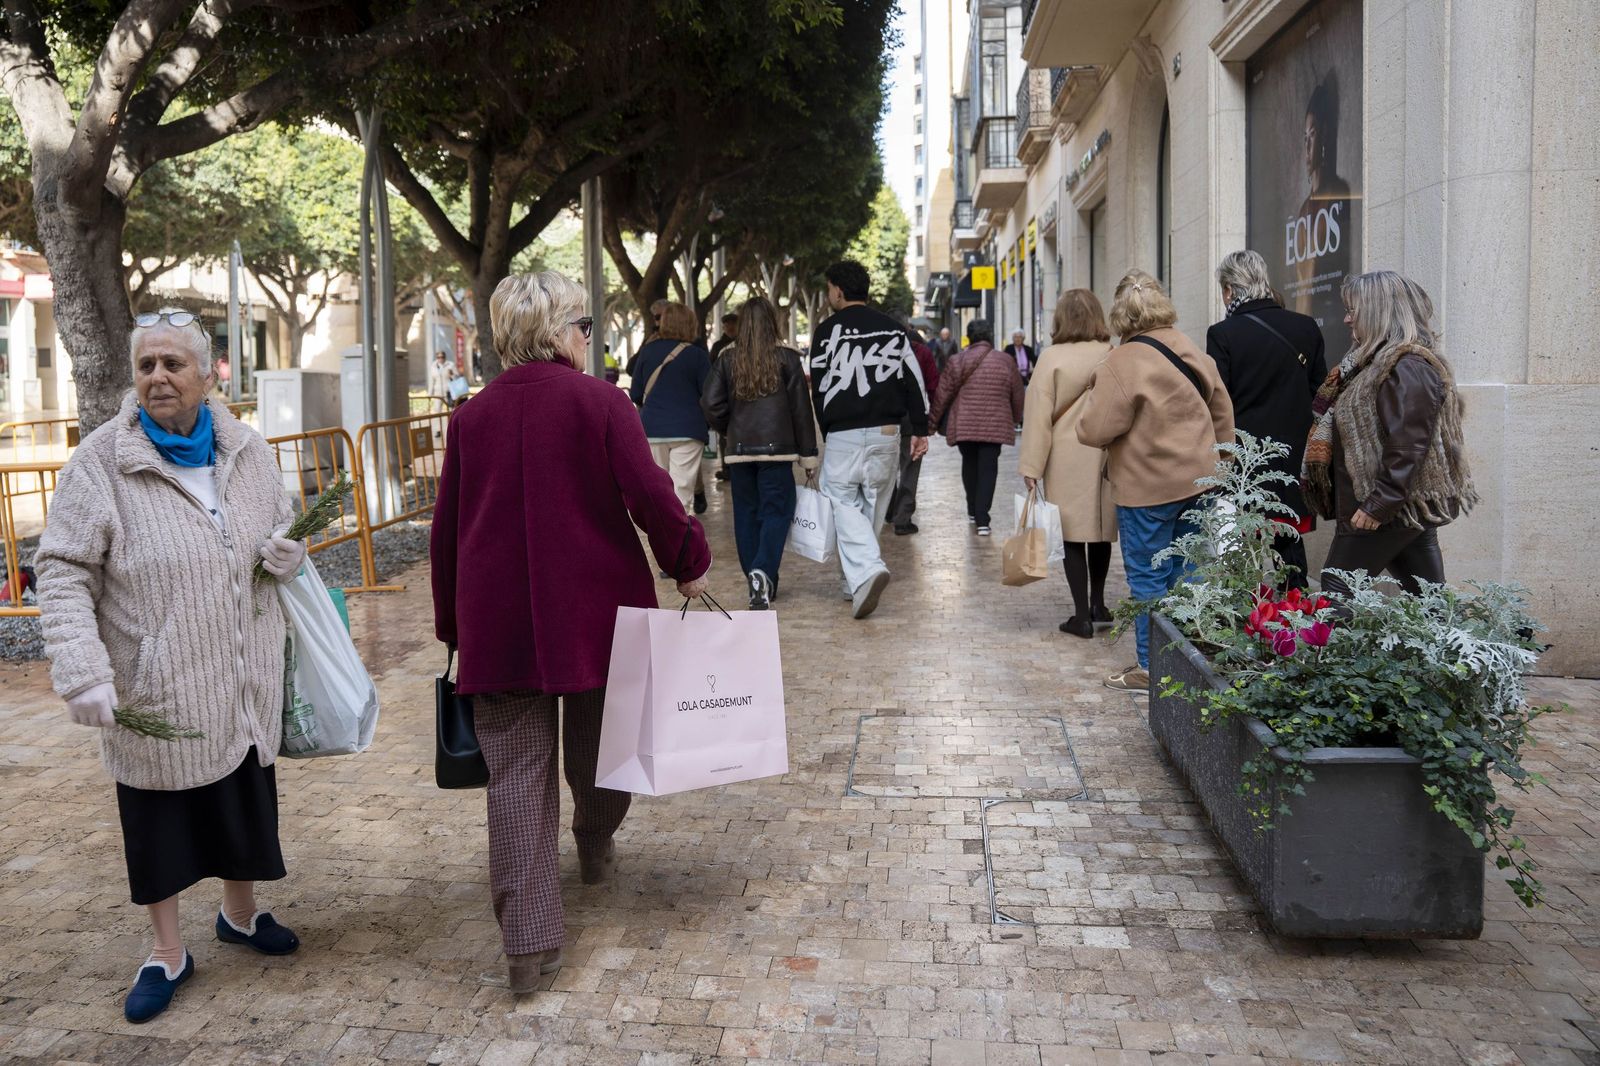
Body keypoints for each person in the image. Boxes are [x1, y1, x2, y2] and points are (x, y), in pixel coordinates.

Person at [431, 271, 711, 993]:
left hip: (498, 624)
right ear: (557, 333)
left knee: (517, 781)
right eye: (585, 325)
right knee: (603, 747)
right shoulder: (602, 404)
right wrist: (687, 560)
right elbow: (651, 493)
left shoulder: (470, 419)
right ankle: (594, 840)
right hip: (597, 617)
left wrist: (453, 625)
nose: (591, 337)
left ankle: (529, 948)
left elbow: (447, 531)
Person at [35, 308, 310, 1023]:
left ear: (210, 372)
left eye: (173, 364)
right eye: (146, 366)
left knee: (244, 796)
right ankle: (166, 953)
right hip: (157, 684)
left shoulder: (245, 448)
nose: (158, 377)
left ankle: (241, 915)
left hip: (242, 674)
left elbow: (278, 520)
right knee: (159, 820)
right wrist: (82, 669)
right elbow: (62, 570)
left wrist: (288, 552)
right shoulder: (102, 461)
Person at [1078, 271, 1234, 692]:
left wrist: (1097, 388)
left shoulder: (1121, 362)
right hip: (1200, 481)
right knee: (1191, 573)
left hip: (1145, 489)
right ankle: (1193, 657)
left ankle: (1152, 667)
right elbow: (1222, 413)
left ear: (1119, 314)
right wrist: (1221, 464)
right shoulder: (1190, 348)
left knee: (1148, 579)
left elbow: (1093, 431)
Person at [1304, 270, 1475, 598]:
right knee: (1428, 602)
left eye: (1354, 310)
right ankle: (1454, 650)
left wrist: (1378, 504)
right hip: (1400, 507)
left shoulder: (1406, 367)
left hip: (1386, 506)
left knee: (1338, 589)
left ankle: (1329, 652)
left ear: (1378, 312)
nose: (1346, 319)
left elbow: (1409, 445)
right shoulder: (1373, 365)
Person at [809, 260, 929, 619]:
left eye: (830, 288)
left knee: (841, 503)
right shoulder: (893, 330)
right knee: (872, 506)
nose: (829, 295)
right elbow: (914, 381)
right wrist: (920, 429)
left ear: (839, 291)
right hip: (887, 433)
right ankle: (855, 583)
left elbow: (818, 387)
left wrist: (825, 428)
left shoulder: (826, 332)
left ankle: (868, 569)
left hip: (844, 433)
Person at [1205, 249, 1327, 588]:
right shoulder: (1305, 327)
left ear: (1229, 289)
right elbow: (1320, 392)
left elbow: (1219, 401)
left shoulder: (1223, 334)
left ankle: (1245, 615)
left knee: (1239, 546)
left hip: (1246, 459)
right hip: (1293, 457)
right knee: (1289, 541)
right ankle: (1296, 612)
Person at [700, 296, 818, 609]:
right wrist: (808, 456)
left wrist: (731, 428)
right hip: (777, 455)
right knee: (777, 512)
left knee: (746, 516)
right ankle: (762, 571)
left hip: (739, 454)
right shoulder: (788, 358)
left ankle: (758, 578)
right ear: (772, 322)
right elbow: (801, 412)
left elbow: (710, 403)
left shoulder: (727, 358)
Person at [1019, 289, 1117, 637]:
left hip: (1064, 456)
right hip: (1105, 450)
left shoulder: (1051, 357)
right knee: (1101, 530)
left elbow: (1038, 415)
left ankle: (1081, 615)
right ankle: (1099, 603)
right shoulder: (1111, 353)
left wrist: (1031, 467)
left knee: (1072, 536)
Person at [927, 318, 1024, 536]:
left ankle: (972, 510)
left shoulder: (957, 360)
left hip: (965, 425)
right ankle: (983, 519)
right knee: (988, 469)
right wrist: (1016, 417)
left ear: (969, 337)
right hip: (995, 424)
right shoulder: (1006, 361)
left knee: (969, 465)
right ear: (989, 336)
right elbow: (1017, 394)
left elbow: (943, 395)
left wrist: (932, 422)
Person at [628, 302, 713, 513]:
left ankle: (664, 540)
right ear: (690, 325)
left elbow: (636, 393)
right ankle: (679, 541)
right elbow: (710, 395)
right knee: (680, 496)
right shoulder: (698, 355)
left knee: (659, 493)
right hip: (689, 431)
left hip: (652, 429)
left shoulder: (647, 352)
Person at [888, 333, 939, 536]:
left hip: (885, 417)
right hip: (911, 416)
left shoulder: (880, 348)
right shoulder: (922, 352)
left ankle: (889, 510)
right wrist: (933, 419)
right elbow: (932, 385)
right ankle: (902, 518)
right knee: (910, 466)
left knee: (886, 465)